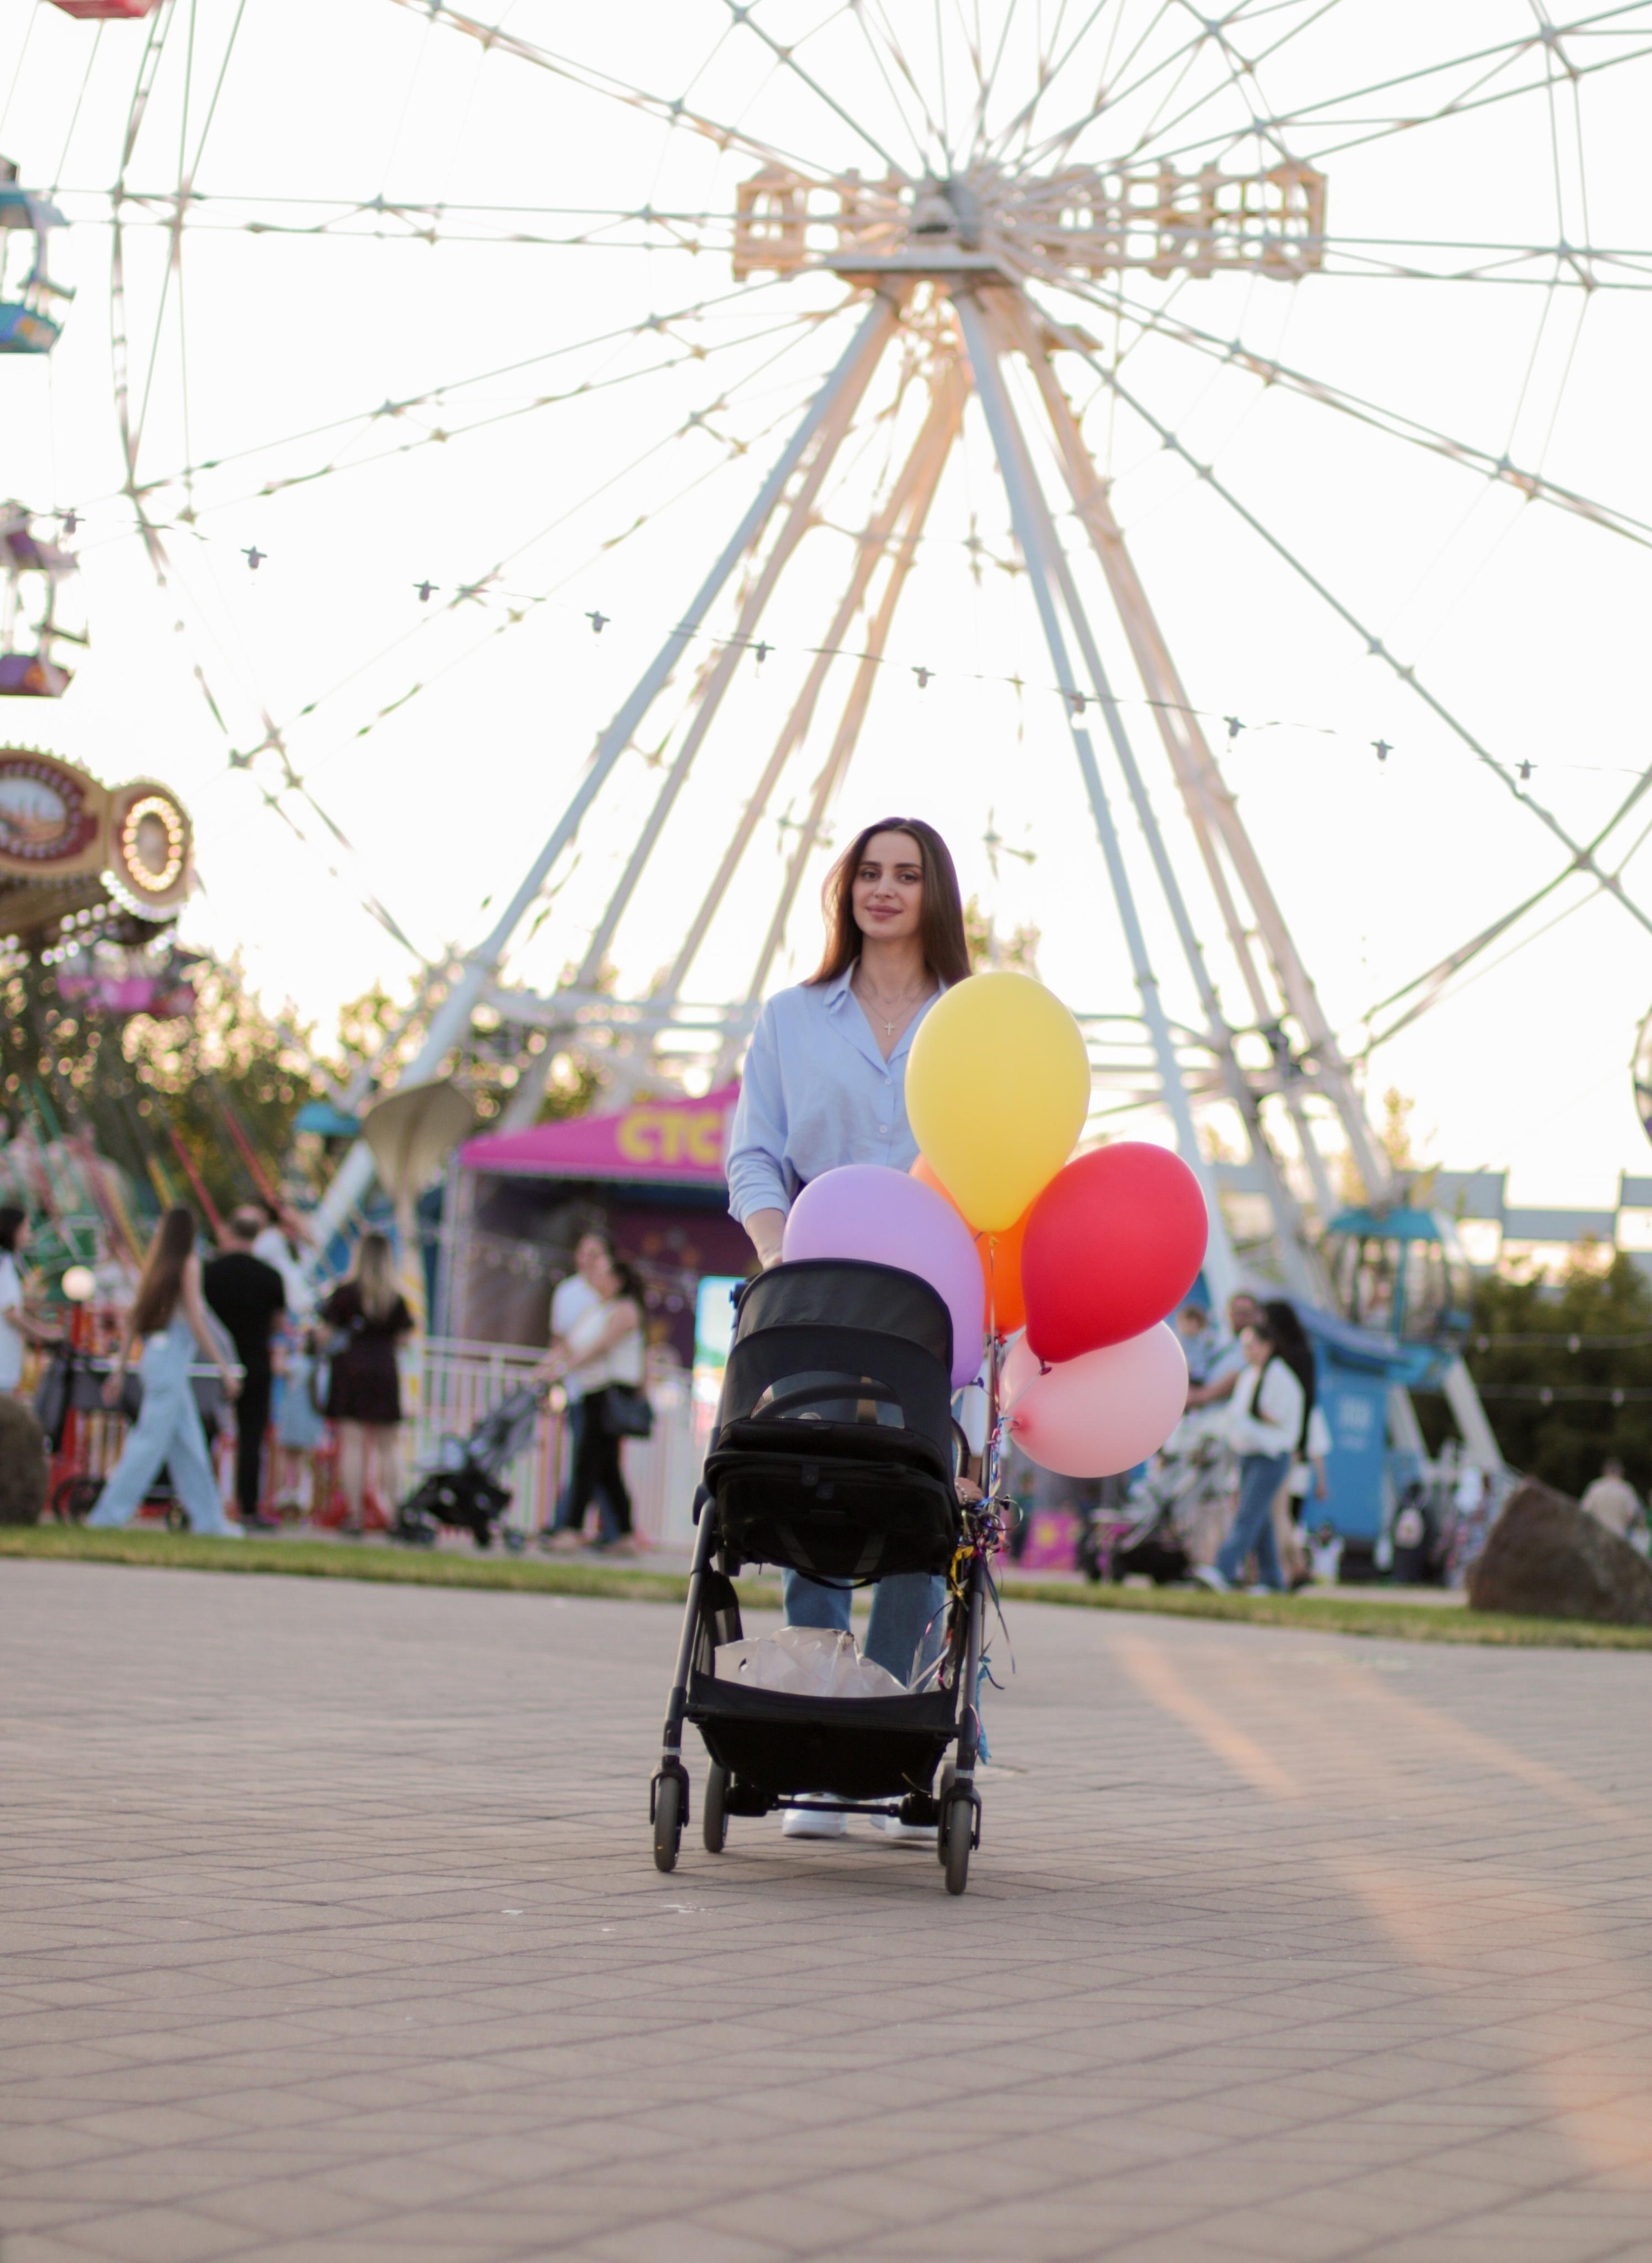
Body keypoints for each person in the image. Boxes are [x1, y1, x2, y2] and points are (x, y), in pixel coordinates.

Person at [725, 815, 972, 1842]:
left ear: (933, 894)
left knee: (924, 1503)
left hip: (939, 1302)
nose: (884, 889)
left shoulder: (972, 1020)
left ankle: (899, 1729)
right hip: (817, 1295)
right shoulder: (791, 1019)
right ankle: (816, 1724)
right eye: (868, 871)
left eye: (906, 874)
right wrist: (783, 1257)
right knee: (812, 1484)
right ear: (847, 890)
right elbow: (754, 1157)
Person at [86, 1207, 242, 1535]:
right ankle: (108, 1516)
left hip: (158, 1359)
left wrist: (119, 1369)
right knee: (148, 1444)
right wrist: (224, 1369)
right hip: (172, 1360)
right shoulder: (188, 1264)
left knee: (189, 1446)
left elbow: (135, 1319)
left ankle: (208, 1519)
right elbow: (198, 1323)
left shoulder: (157, 1265)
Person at [538, 1244, 646, 1555]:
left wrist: (564, 1370)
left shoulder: (625, 1310)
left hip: (608, 1393)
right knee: (606, 1467)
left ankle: (571, 1529)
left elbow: (600, 1346)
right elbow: (570, 1344)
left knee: (587, 1462)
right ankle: (625, 1534)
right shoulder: (597, 1308)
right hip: (591, 1393)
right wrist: (547, 1367)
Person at [1193, 1310, 1305, 1595]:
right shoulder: (1248, 1377)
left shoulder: (1282, 1379)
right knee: (1261, 1520)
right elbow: (1236, 1418)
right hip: (1247, 1455)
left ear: (1266, 1346)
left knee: (1247, 1515)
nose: (1247, 1351)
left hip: (1270, 1456)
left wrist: (1262, 1417)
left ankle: (1223, 1570)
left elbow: (1281, 1418)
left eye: (1251, 1345)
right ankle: (1272, 1579)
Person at [317, 1233, 414, 1536]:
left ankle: (356, 1515)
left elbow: (324, 1334)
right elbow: (405, 1338)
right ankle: (395, 1512)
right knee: (388, 1446)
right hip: (384, 1369)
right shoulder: (395, 1298)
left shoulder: (345, 1294)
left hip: (351, 1368)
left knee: (353, 1444)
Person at [205, 1206, 287, 1533]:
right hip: (254, 1359)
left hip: (213, 1361)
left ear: (228, 1231)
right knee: (251, 1437)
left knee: (206, 1430)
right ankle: (249, 1506)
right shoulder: (270, 1277)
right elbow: (278, 1323)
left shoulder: (210, 1272)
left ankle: (204, 1500)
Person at [541, 1228, 613, 1544]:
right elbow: (560, 1341)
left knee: (594, 1463)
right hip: (576, 1389)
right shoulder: (567, 1293)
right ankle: (582, 1525)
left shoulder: (609, 1295)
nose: (588, 1260)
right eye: (584, 1253)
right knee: (589, 1462)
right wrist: (552, 1372)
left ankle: (572, 1525)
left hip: (602, 1389)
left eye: (595, 1253)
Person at [0, 1207, 61, 1399]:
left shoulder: (6, 1261)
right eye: (26, 1228)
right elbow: (10, 1314)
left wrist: (37, 1305)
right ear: (13, 1230)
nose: (30, 1234)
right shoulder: (5, 1263)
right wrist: (45, 1333)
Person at [1185, 1290, 1262, 1410]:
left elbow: (1235, 1379)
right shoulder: (1222, 1342)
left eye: (1245, 1313)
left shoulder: (1255, 1346)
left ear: (1256, 1315)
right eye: (1236, 1312)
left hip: (1222, 1416)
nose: (1240, 1317)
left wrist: (1195, 1397)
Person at [1580, 1457, 1643, 1543]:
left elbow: (1584, 1512)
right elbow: (1632, 1516)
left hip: (1598, 1537)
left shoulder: (1595, 1488)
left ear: (1604, 1471)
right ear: (1621, 1472)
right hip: (1619, 1538)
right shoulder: (1626, 1489)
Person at [1173, 1303, 1214, 1388]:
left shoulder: (1206, 1341)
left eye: (1192, 1323)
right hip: (1183, 1377)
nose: (1189, 1327)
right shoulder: (1176, 1342)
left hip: (1200, 1377)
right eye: (1186, 1323)